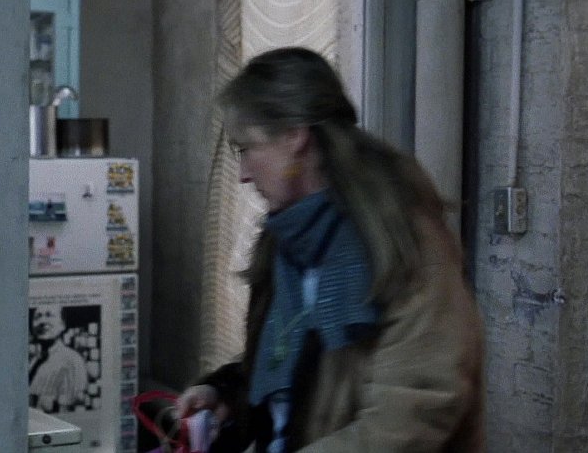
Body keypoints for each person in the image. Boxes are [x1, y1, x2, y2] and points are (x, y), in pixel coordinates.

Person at [176, 47, 484, 452]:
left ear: (294, 136)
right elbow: (297, 370)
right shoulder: (288, 237)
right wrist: (227, 395)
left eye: (247, 148)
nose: (244, 175)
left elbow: (413, 412)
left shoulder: (402, 241)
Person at [29, 304, 89, 413]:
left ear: (62, 325)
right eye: (38, 317)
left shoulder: (71, 361)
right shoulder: (35, 361)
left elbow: (68, 413)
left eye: (49, 315)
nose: (42, 321)